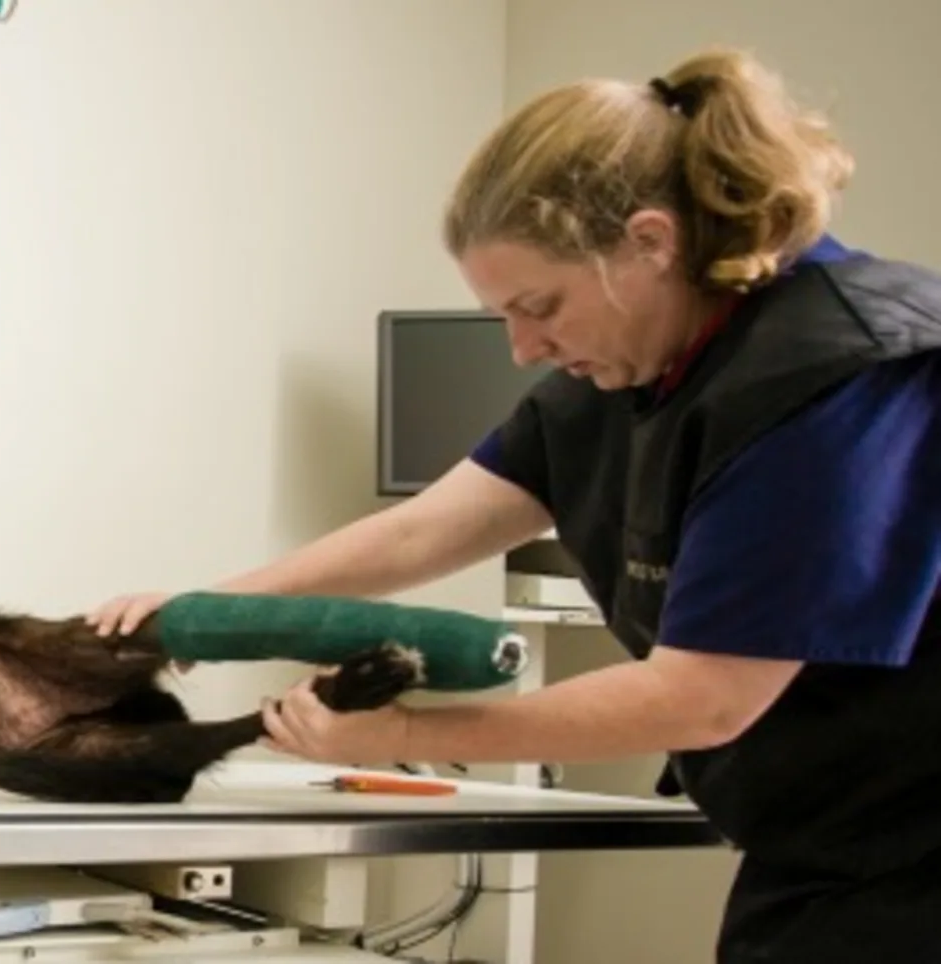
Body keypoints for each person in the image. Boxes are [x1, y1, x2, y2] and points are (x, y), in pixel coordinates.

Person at [89, 46, 941, 964]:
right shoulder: (631, 367)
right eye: (505, 316)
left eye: (540, 306)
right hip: (828, 852)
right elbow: (420, 530)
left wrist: (402, 733)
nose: (524, 349)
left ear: (651, 242)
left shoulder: (839, 377)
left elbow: (702, 699)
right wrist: (203, 612)